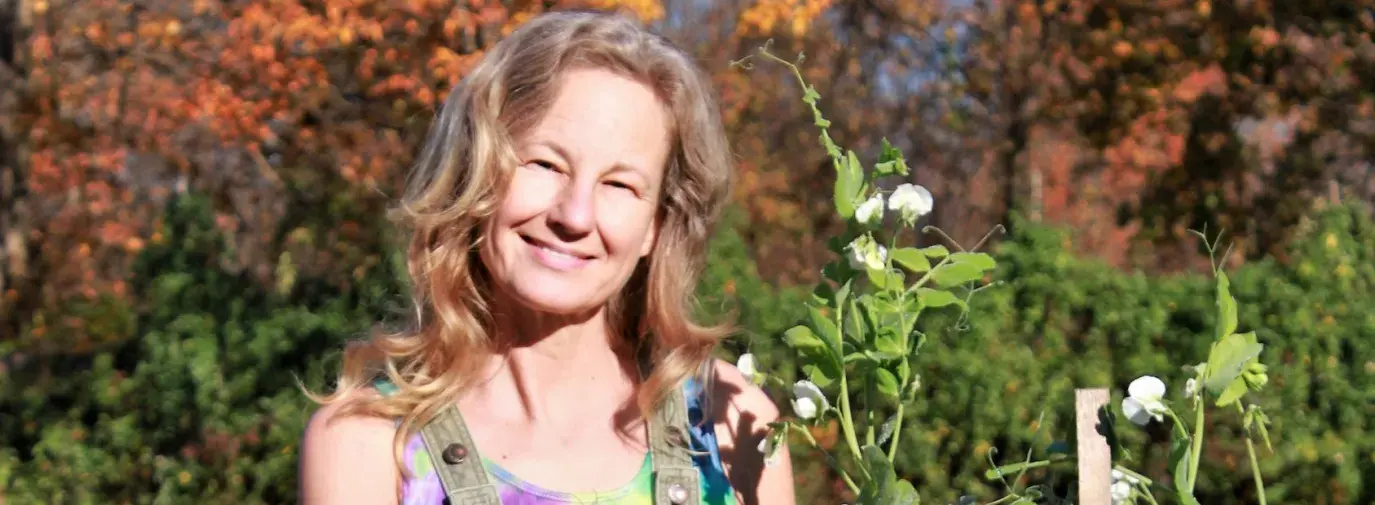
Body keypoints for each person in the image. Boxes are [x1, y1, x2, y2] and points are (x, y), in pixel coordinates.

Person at [298, 9, 796, 505]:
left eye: (620, 184)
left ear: (657, 225)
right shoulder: (369, 446)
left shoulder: (733, 426)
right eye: (544, 163)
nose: (575, 216)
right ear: (476, 172)